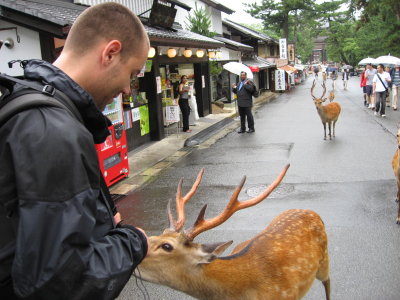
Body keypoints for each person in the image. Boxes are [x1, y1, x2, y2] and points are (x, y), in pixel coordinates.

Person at [0, 3, 149, 299]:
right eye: (132, 73)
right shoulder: (54, 132)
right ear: (110, 53)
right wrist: (133, 241)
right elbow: (57, 282)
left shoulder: (30, 104)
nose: (128, 89)